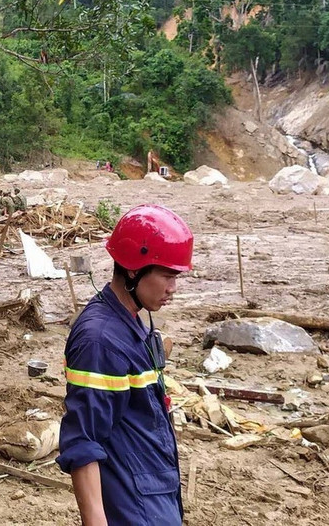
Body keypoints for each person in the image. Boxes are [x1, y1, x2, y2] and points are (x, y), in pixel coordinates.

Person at [57, 204, 193, 526]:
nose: (173, 288)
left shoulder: (131, 320)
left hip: (156, 494)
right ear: (134, 269)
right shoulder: (100, 341)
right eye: (167, 275)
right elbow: (83, 442)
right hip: (135, 509)